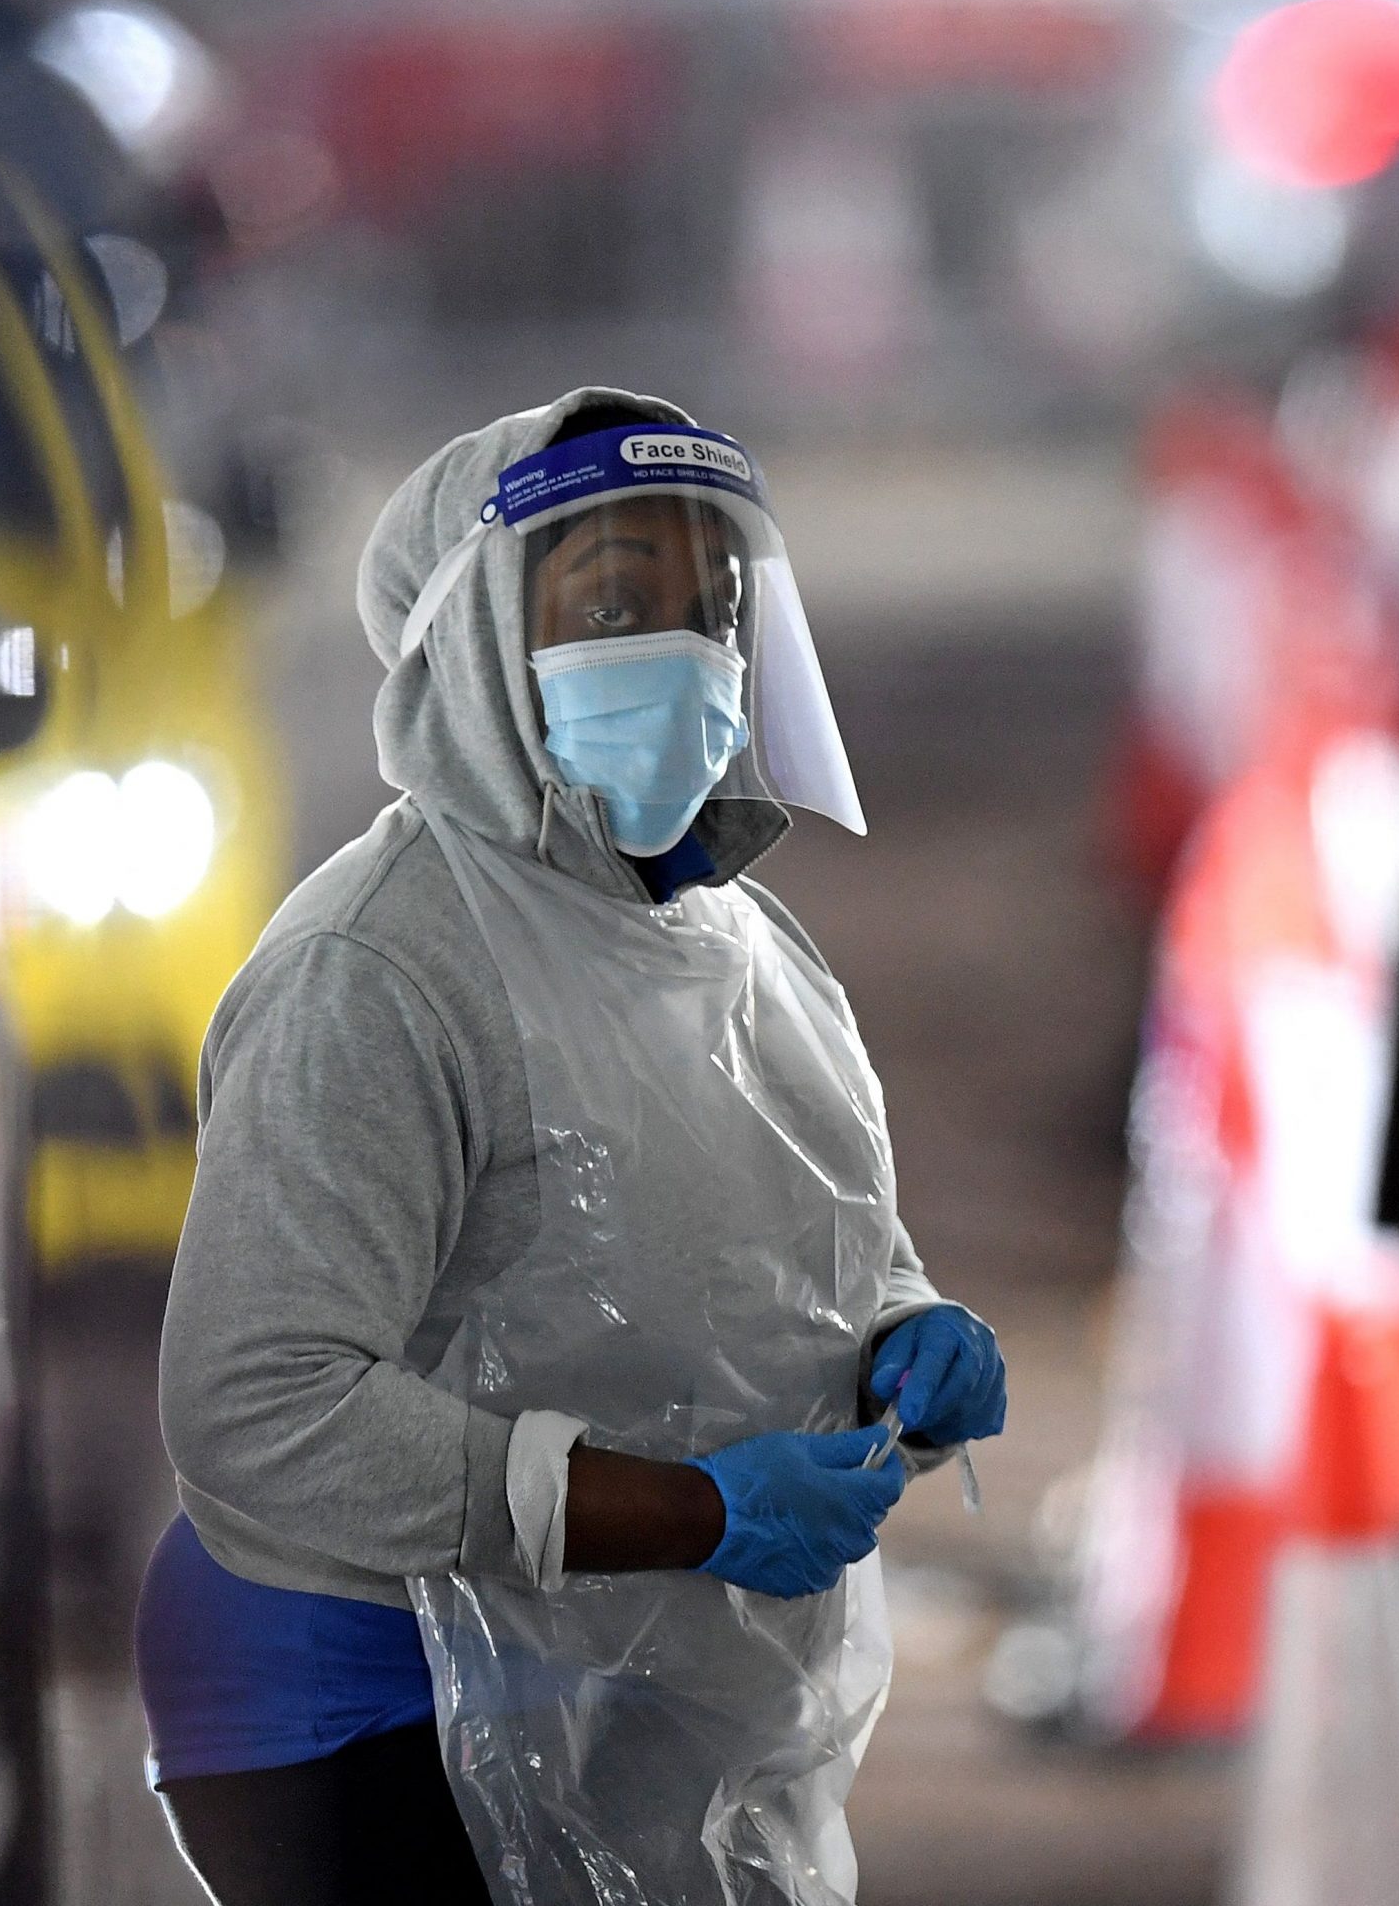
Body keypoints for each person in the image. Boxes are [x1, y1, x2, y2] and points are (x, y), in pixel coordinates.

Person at [138, 389, 1008, 1906]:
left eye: (717, 610)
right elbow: (259, 1406)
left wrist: (892, 1339)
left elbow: (772, 1250)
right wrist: (698, 1513)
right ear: (478, 641)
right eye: (612, 604)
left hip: (628, 1657)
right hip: (361, 1686)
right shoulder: (378, 965)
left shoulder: (739, 953)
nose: (688, 659)